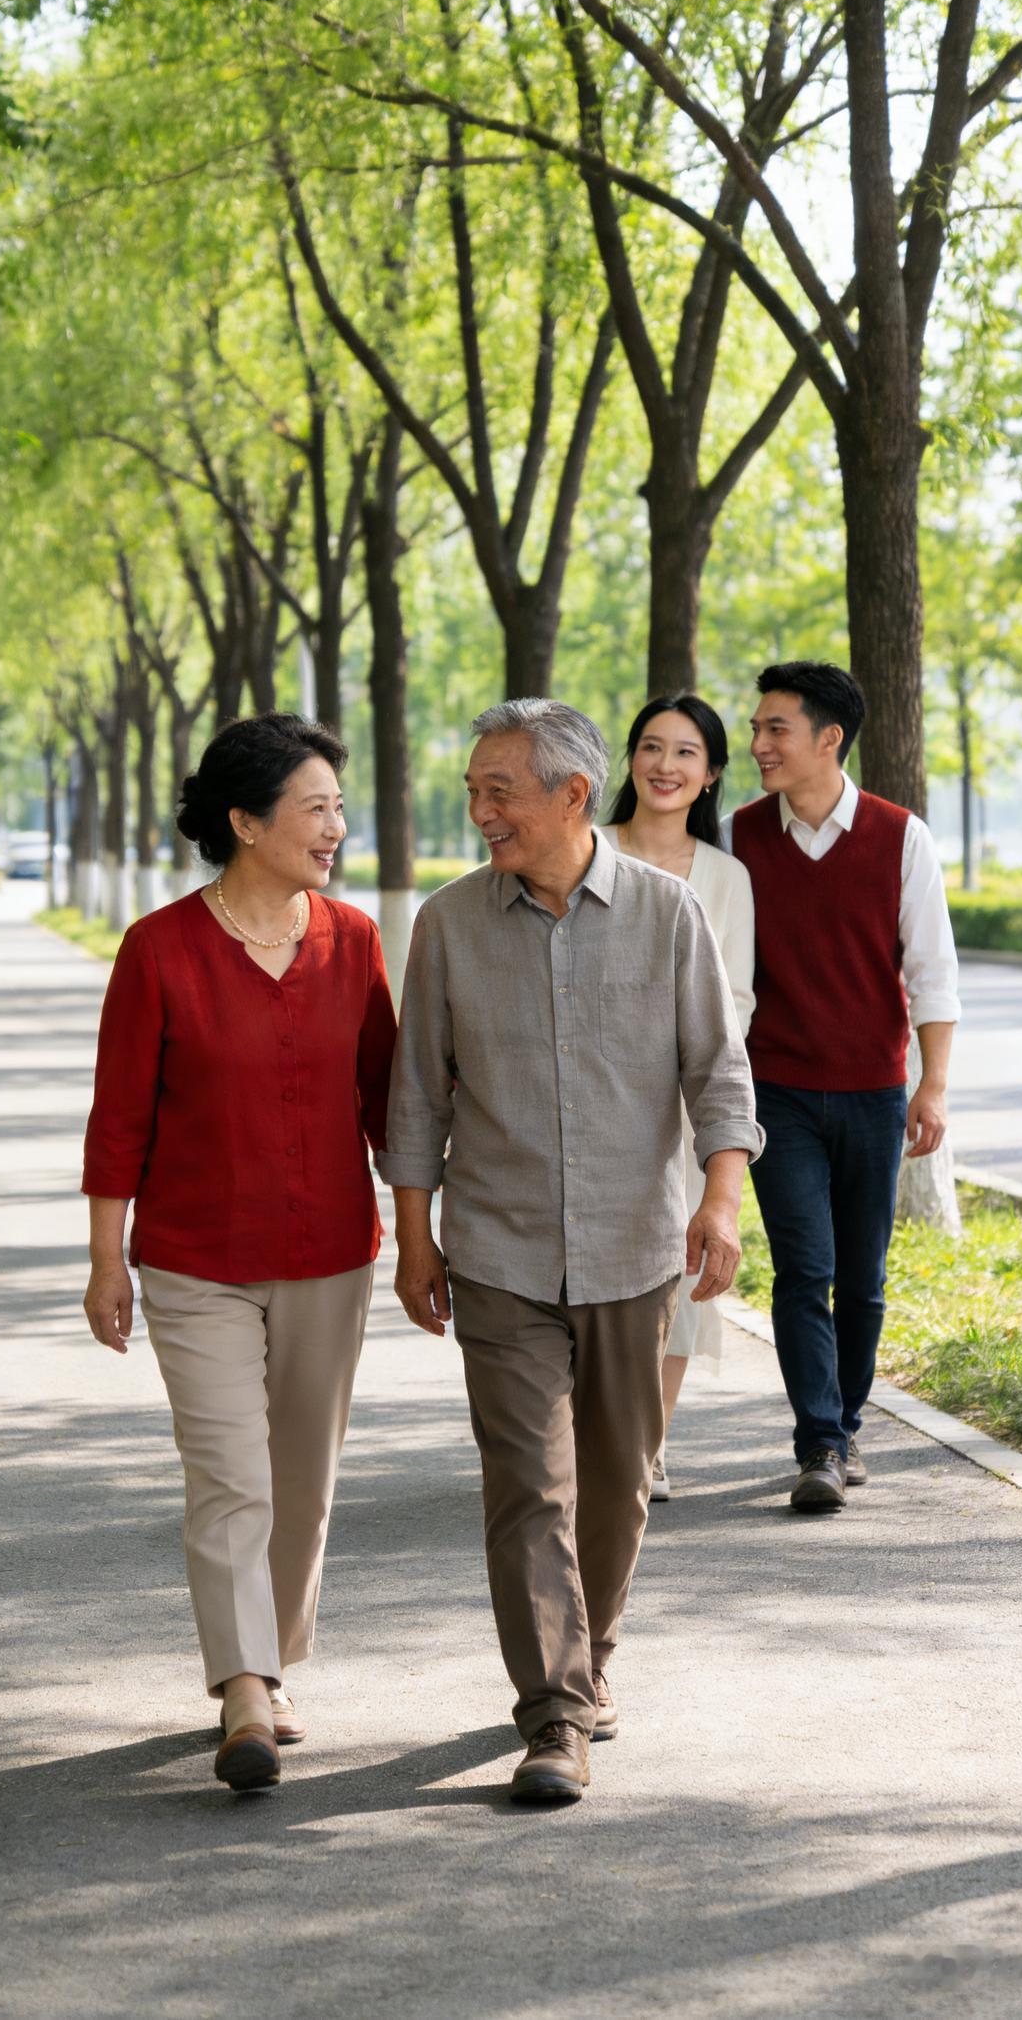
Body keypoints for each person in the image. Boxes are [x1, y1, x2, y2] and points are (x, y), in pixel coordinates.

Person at [380, 699, 761, 1807]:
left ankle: (591, 1658)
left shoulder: (667, 913)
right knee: (527, 1486)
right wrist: (413, 1238)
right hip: (497, 1250)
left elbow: (717, 1074)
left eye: (498, 790)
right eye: (472, 790)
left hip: (634, 1246)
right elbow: (417, 1097)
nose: (479, 811)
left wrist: (720, 1201)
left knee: (617, 1483)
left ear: (572, 795)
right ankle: (552, 1710)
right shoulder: (448, 923)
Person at [81, 714, 396, 1791]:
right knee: (229, 1472)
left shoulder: (354, 940)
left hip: (330, 1253)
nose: (336, 828)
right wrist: (107, 1258)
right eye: (316, 809)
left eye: (339, 808)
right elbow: (119, 1116)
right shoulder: (158, 947)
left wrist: (421, 1234)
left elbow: (389, 1102)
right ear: (246, 822)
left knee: (302, 1478)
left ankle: (275, 1657)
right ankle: (244, 1690)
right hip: (195, 1257)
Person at [726, 662, 960, 1513]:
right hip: (776, 1090)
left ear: (829, 738)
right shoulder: (738, 836)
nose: (758, 744)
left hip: (872, 1091)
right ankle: (820, 1442)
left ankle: (847, 1423)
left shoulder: (901, 837)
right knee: (803, 1267)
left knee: (862, 1279)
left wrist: (933, 1086)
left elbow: (932, 971)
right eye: (757, 728)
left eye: (775, 729)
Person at [598, 692, 755, 1499]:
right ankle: (588, 1439)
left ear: (712, 773)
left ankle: (647, 1447)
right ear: (630, 760)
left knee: (677, 1271)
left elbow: (738, 1001)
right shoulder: (587, 848)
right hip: (590, 1098)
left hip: (686, 1110)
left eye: (686, 752)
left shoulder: (727, 877)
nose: (665, 765)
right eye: (651, 747)